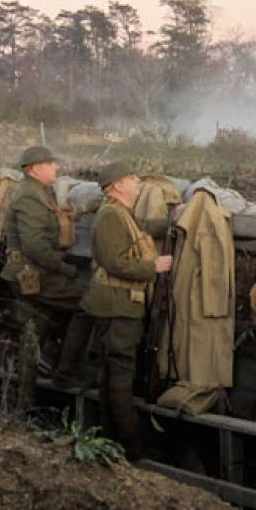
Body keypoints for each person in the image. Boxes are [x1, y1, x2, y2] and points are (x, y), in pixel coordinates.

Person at [81, 162, 173, 459]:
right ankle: (130, 445)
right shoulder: (111, 215)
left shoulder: (120, 213)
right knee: (120, 374)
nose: (138, 183)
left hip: (117, 304)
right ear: (118, 185)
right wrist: (153, 266)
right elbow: (115, 262)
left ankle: (107, 438)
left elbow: (142, 228)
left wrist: (173, 221)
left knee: (111, 372)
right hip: (118, 305)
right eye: (133, 179)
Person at [2, 145, 91, 403]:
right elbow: (34, 246)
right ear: (34, 169)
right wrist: (65, 269)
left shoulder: (42, 192)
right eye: (50, 164)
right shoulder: (30, 197)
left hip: (37, 273)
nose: (56, 168)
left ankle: (24, 399)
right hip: (32, 274)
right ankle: (66, 373)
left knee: (35, 332)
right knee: (86, 305)